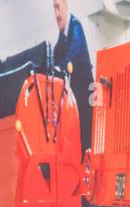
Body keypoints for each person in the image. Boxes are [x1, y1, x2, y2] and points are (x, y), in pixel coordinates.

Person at [51, 0, 94, 155]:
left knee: (88, 140)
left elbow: (74, 52)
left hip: (87, 100)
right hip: (75, 105)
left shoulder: (76, 28)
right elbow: (56, 55)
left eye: (58, 8)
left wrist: (60, 68)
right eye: (53, 9)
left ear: (65, 5)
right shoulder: (60, 41)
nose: (56, 14)